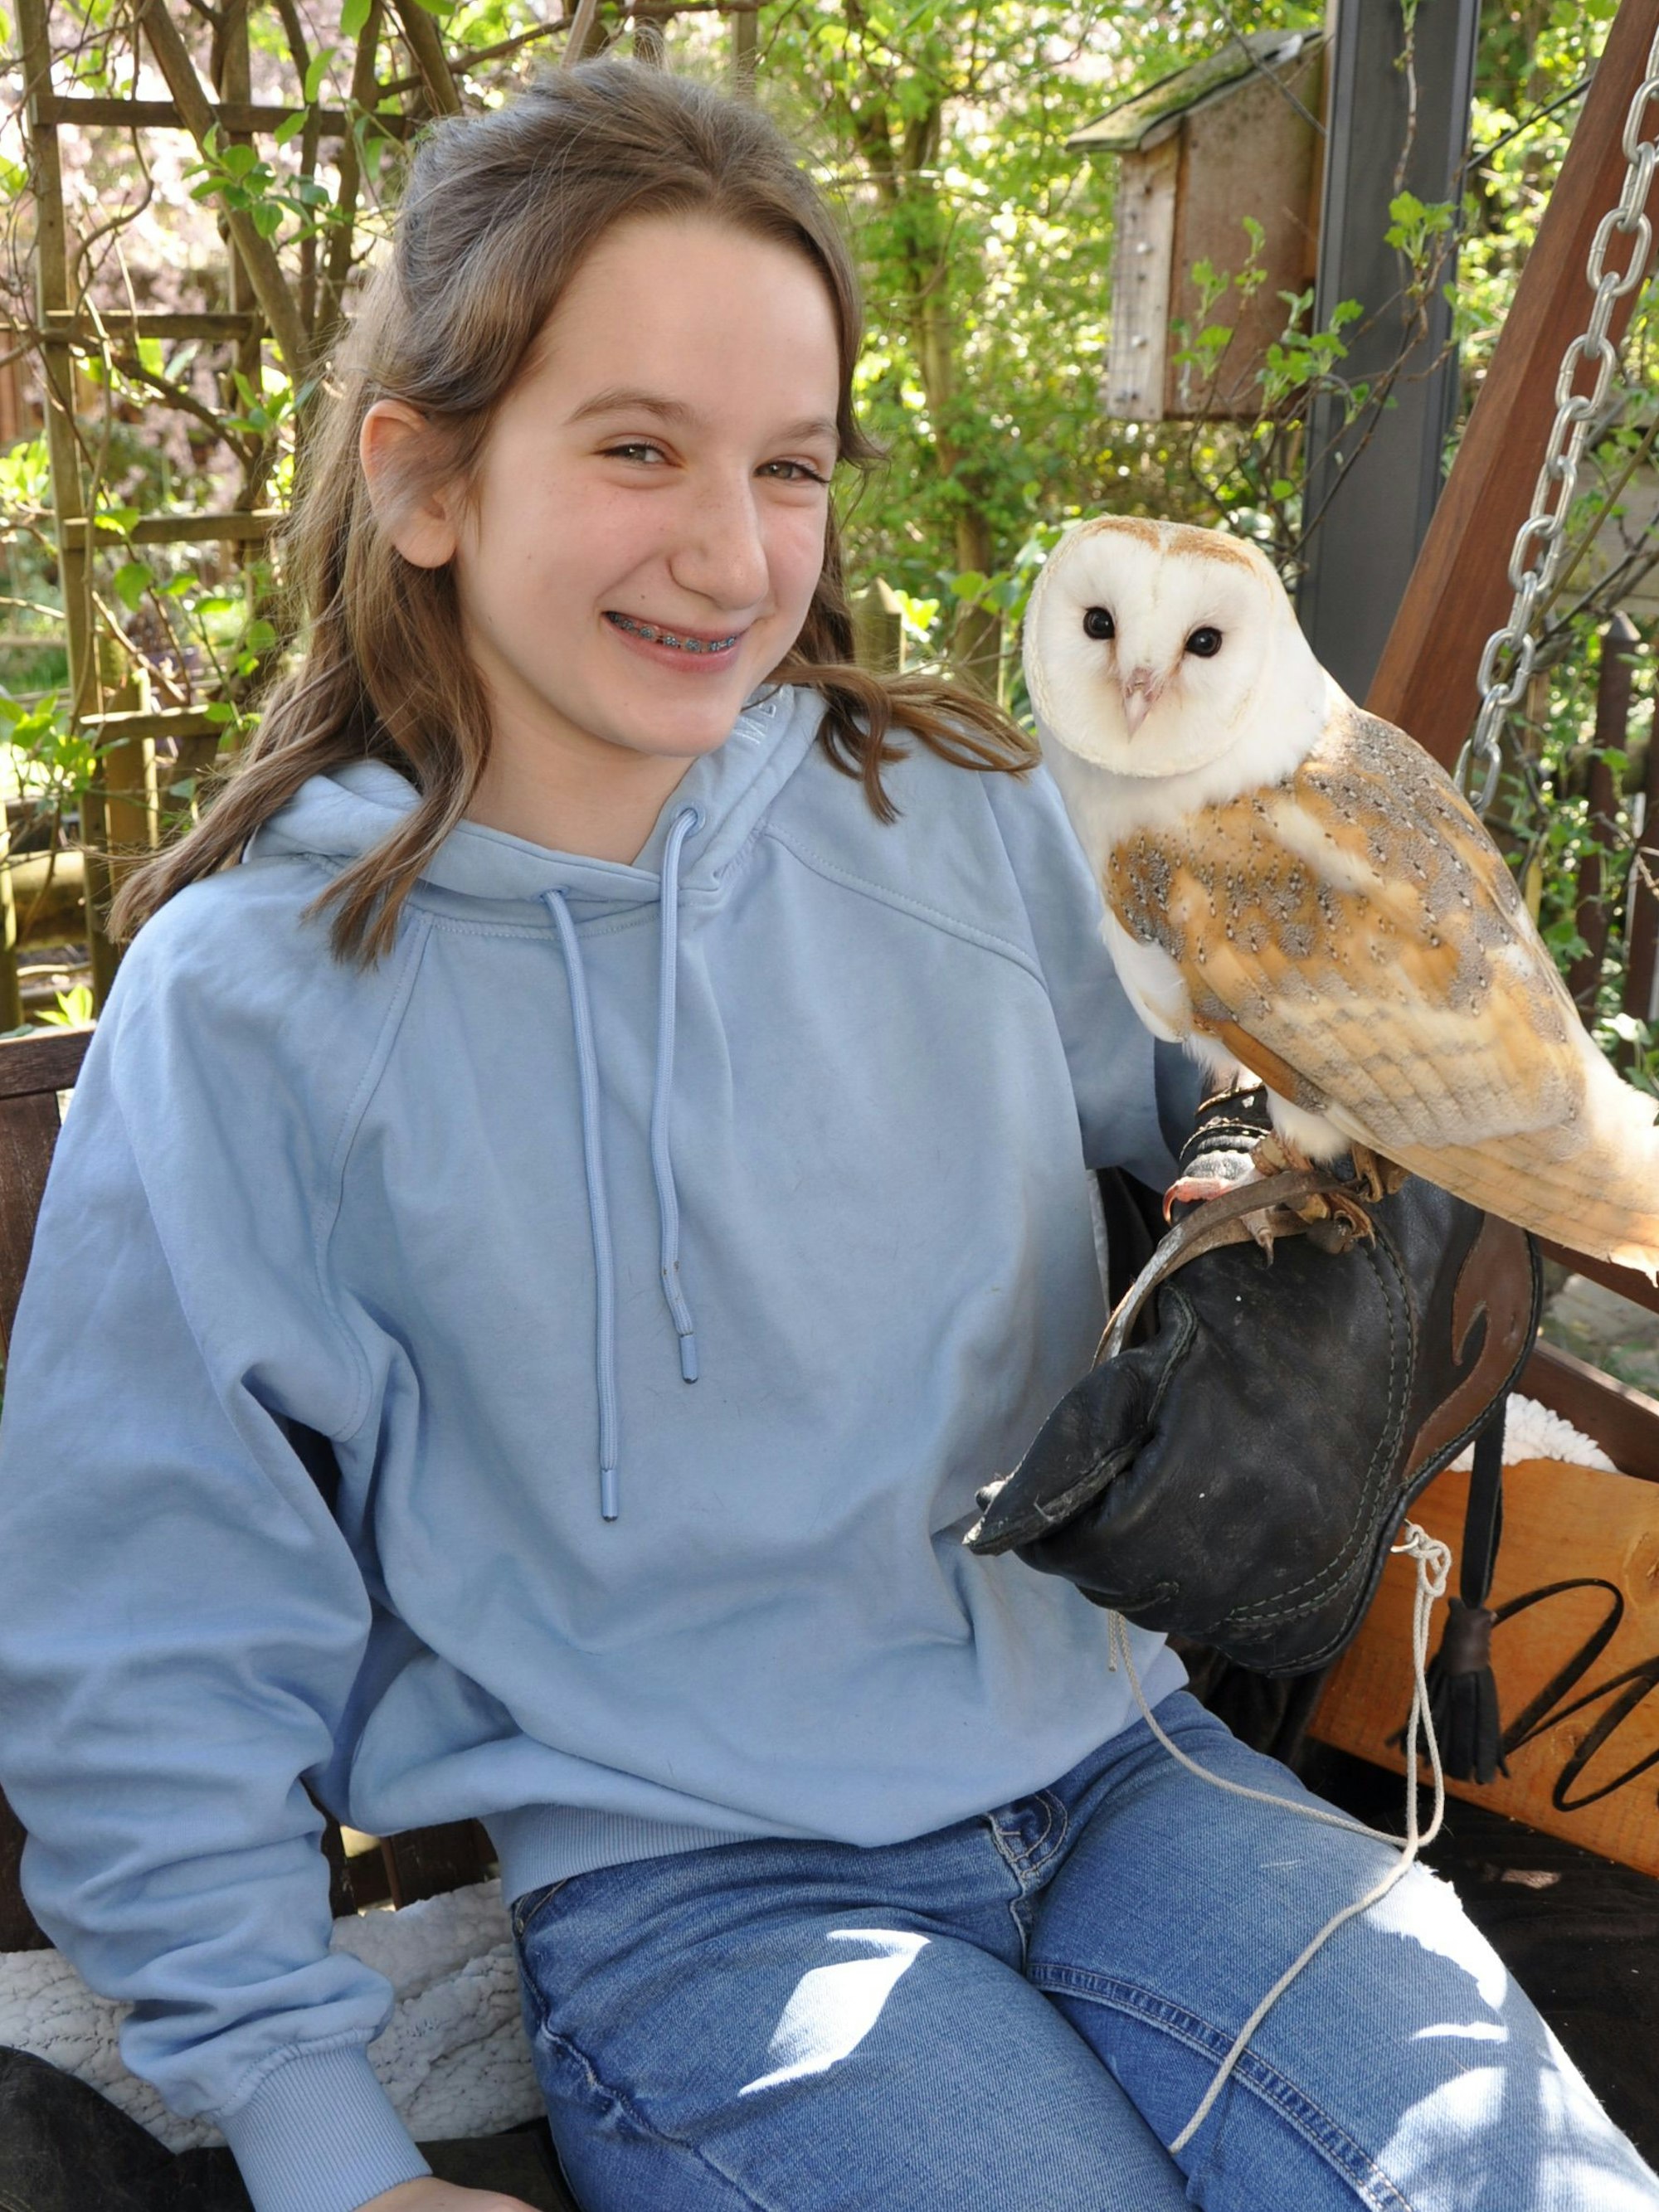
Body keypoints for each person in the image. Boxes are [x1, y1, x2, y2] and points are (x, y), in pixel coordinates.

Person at [0, 58, 1652, 2212]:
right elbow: (154, 1621)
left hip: (1146, 1773)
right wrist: (331, 2151)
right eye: (635, 448)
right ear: (424, 480)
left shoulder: (955, 815)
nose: (730, 547)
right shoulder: (257, 1004)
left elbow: (1222, 1075)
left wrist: (1274, 1131)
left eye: (786, 464)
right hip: (711, 1903)